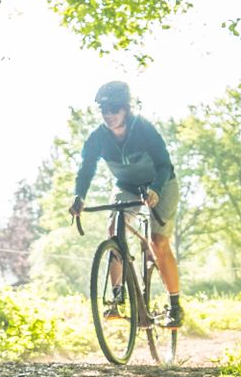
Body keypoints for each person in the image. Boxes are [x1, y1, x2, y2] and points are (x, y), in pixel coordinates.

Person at [67, 80, 183, 327]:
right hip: (127, 187)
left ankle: (175, 307)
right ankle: (117, 298)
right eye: (104, 110)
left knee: (159, 242)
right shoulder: (98, 137)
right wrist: (79, 196)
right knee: (114, 230)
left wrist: (155, 190)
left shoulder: (144, 129)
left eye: (114, 109)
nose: (109, 115)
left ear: (126, 109)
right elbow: (86, 169)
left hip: (161, 183)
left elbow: (164, 165)